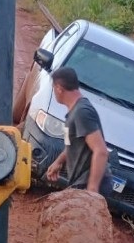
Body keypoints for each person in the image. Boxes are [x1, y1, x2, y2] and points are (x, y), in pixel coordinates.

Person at [45, 66, 113, 196]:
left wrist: (92, 191)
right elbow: (73, 143)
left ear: (59, 88)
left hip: (88, 185)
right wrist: (58, 162)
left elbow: (101, 151)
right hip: (79, 184)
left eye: (53, 88)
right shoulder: (74, 111)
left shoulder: (82, 112)